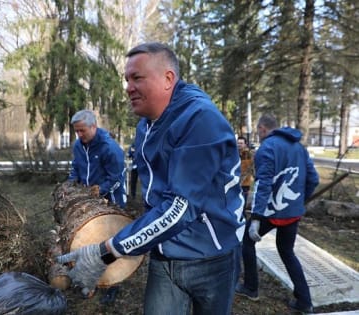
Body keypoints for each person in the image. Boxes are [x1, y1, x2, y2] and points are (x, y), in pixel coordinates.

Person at [57, 42, 245, 315]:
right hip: (165, 253)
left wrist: (108, 250)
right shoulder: (146, 124)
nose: (128, 87)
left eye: (137, 78)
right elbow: (156, 198)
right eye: (127, 79)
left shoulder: (200, 119)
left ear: (168, 78)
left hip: (211, 255)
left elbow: (179, 209)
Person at [235, 114, 319, 314]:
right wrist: (299, 201)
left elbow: (263, 184)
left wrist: (256, 217)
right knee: (287, 252)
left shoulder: (267, 148)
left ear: (263, 128)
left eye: (258, 131)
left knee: (247, 241)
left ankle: (251, 287)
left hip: (271, 211)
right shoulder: (299, 147)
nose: (258, 134)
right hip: (292, 212)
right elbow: (313, 179)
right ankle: (305, 301)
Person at [67, 109, 126, 304]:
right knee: (87, 241)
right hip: (88, 201)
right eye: (77, 131)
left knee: (110, 244)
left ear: (94, 126)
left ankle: (113, 284)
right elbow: (75, 168)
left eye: (83, 130)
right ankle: (91, 280)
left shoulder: (110, 148)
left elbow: (117, 178)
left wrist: (100, 191)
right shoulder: (78, 146)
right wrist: (71, 186)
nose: (79, 135)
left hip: (111, 200)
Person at [237, 136, 254, 213]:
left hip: (244, 183)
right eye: (238, 143)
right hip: (235, 181)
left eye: (241, 143)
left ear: (245, 144)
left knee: (243, 202)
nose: (239, 145)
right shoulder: (235, 153)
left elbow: (247, 169)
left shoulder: (248, 154)